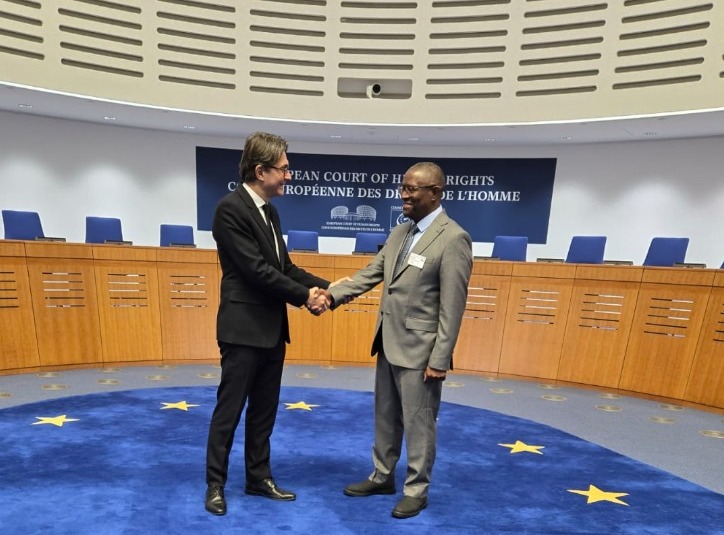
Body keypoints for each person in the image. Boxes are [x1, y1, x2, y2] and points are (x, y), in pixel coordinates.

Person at [324, 161, 472, 519]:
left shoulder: (454, 238)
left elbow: (452, 307)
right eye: (402, 187)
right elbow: (371, 274)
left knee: (420, 424)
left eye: (411, 189)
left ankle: (416, 490)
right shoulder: (399, 233)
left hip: (422, 353)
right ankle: (382, 476)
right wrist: (329, 295)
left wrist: (440, 359)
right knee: (386, 417)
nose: (403, 194)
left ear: (435, 193)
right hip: (388, 343)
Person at [205, 132, 331, 516]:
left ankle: (258, 478)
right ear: (261, 171)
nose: (289, 175)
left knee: (264, 412)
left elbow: (284, 268)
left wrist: (330, 288)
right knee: (229, 412)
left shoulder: (270, 212)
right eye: (284, 168)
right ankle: (215, 484)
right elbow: (256, 271)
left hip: (272, 331)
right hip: (242, 330)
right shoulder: (230, 209)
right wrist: (305, 296)